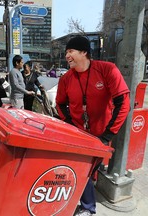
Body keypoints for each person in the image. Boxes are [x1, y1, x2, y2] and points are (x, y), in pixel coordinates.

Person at [56, 36, 130, 216]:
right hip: (78, 134)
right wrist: (70, 124)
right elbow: (60, 104)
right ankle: (87, 203)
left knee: (86, 171)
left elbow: (123, 103)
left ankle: (88, 207)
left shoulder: (107, 70)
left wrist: (107, 135)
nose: (67, 56)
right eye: (66, 52)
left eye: (71, 51)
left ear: (84, 52)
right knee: (83, 170)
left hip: (100, 134)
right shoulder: (66, 78)